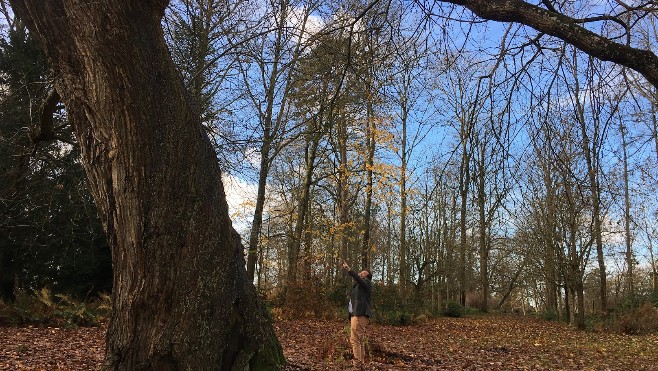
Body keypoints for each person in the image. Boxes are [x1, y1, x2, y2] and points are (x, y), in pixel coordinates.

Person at [341, 260, 372, 370]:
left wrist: (349, 270)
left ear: (367, 275)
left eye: (363, 272)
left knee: (354, 340)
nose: (361, 273)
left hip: (360, 314)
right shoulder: (359, 286)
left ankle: (357, 365)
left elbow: (359, 280)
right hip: (356, 314)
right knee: (359, 340)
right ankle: (361, 364)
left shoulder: (367, 283)